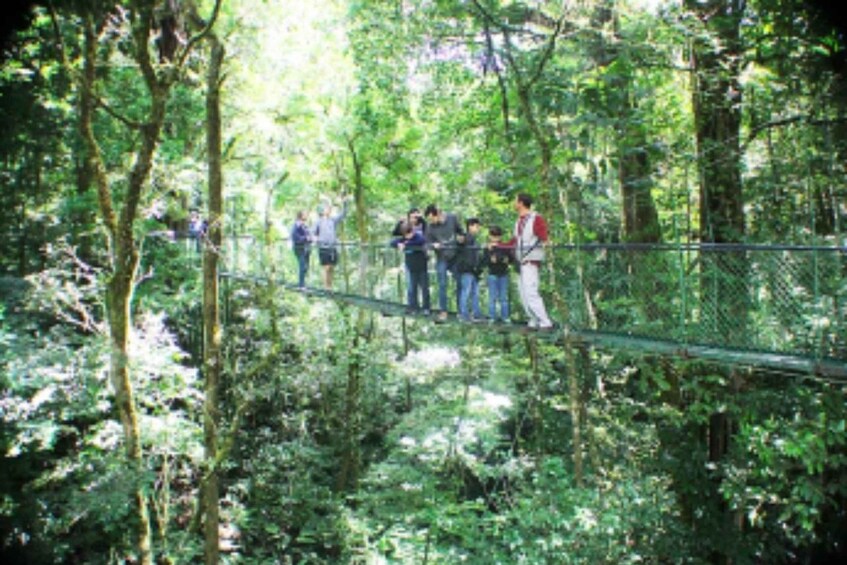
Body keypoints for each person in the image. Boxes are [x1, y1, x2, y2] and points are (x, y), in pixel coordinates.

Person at [504, 193, 553, 330]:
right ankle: (533, 320)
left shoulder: (535, 218)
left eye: (515, 201)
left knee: (531, 292)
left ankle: (545, 321)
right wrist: (498, 246)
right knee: (523, 294)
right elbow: (514, 242)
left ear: (520, 203)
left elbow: (544, 236)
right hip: (521, 262)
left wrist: (546, 244)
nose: (514, 203)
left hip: (531, 261)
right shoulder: (518, 221)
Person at [424, 204, 464, 322]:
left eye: (432, 218)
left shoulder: (452, 218)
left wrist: (461, 238)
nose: (431, 221)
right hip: (442, 258)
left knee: (460, 282)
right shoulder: (430, 227)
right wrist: (433, 245)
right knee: (442, 284)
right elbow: (426, 244)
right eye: (429, 219)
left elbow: (461, 231)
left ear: (439, 214)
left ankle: (461, 311)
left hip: (455, 257)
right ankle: (443, 311)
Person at [390, 222, 431, 315]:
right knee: (412, 289)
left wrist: (406, 244)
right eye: (406, 235)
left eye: (410, 234)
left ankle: (426, 308)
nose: (408, 236)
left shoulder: (418, 237)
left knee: (424, 288)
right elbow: (392, 243)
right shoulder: (403, 239)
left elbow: (421, 241)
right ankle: (414, 307)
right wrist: (399, 244)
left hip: (422, 268)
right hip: (411, 268)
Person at [313, 196, 350, 289]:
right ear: (324, 211)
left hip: (332, 247)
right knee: (326, 267)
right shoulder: (319, 221)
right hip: (323, 247)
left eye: (330, 209)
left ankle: (330, 286)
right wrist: (315, 240)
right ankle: (326, 287)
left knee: (332, 267)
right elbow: (313, 232)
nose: (329, 210)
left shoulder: (333, 220)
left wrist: (345, 203)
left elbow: (343, 214)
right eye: (327, 208)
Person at [481, 225, 513, 324]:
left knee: (504, 298)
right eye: (493, 236)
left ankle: (505, 317)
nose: (495, 238)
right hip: (492, 274)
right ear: (490, 236)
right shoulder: (487, 248)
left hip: (503, 274)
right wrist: (490, 259)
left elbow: (510, 259)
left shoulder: (504, 246)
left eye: (497, 236)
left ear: (500, 236)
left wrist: (506, 260)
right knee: (492, 298)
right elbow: (484, 262)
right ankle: (492, 317)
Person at [455, 218, 483, 322]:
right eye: (477, 226)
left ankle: (476, 313)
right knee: (465, 292)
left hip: (474, 271)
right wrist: (460, 239)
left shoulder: (475, 240)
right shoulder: (466, 238)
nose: (478, 228)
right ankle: (463, 314)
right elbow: (460, 242)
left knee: (475, 293)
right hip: (466, 270)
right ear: (470, 226)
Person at [291, 210, 312, 288]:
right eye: (305, 214)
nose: (306, 215)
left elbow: (308, 235)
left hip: (306, 249)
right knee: (302, 266)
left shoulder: (304, 225)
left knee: (305, 267)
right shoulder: (296, 224)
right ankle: (301, 285)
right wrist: (306, 238)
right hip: (299, 248)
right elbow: (295, 237)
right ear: (300, 216)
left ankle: (302, 283)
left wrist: (311, 238)